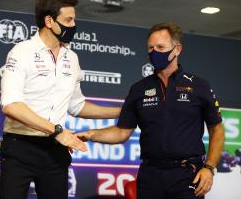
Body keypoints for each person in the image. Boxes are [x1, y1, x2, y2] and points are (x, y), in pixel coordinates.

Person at [77, 22, 225, 199]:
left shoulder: (198, 86)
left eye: (160, 47)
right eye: (150, 48)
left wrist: (209, 167)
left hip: (187, 174)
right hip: (150, 174)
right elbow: (121, 132)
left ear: (177, 49)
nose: (154, 52)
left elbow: (217, 129)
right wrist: (90, 134)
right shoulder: (139, 89)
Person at [0, 0, 121, 199]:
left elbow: (77, 106)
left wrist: (121, 111)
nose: (73, 25)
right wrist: (57, 131)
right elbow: (10, 104)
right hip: (20, 147)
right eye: (68, 20)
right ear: (49, 21)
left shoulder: (71, 57)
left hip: (55, 150)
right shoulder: (21, 52)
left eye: (74, 19)